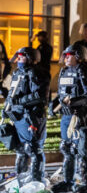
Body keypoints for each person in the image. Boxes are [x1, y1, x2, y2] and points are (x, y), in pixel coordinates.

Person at [51, 44, 87, 193]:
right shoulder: (64, 72)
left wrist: (73, 103)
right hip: (66, 115)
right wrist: (53, 105)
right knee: (66, 147)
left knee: (82, 149)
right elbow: (61, 94)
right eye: (65, 55)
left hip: (81, 115)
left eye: (69, 55)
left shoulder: (84, 71)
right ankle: (68, 181)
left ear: (78, 56)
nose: (66, 58)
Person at [5, 47, 49, 182]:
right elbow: (12, 92)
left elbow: (40, 95)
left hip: (31, 116)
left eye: (22, 57)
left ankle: (36, 181)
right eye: (18, 56)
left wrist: (19, 101)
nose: (18, 59)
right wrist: (8, 106)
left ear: (31, 59)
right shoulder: (17, 73)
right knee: (20, 149)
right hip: (17, 116)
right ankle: (20, 179)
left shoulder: (37, 73)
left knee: (34, 149)